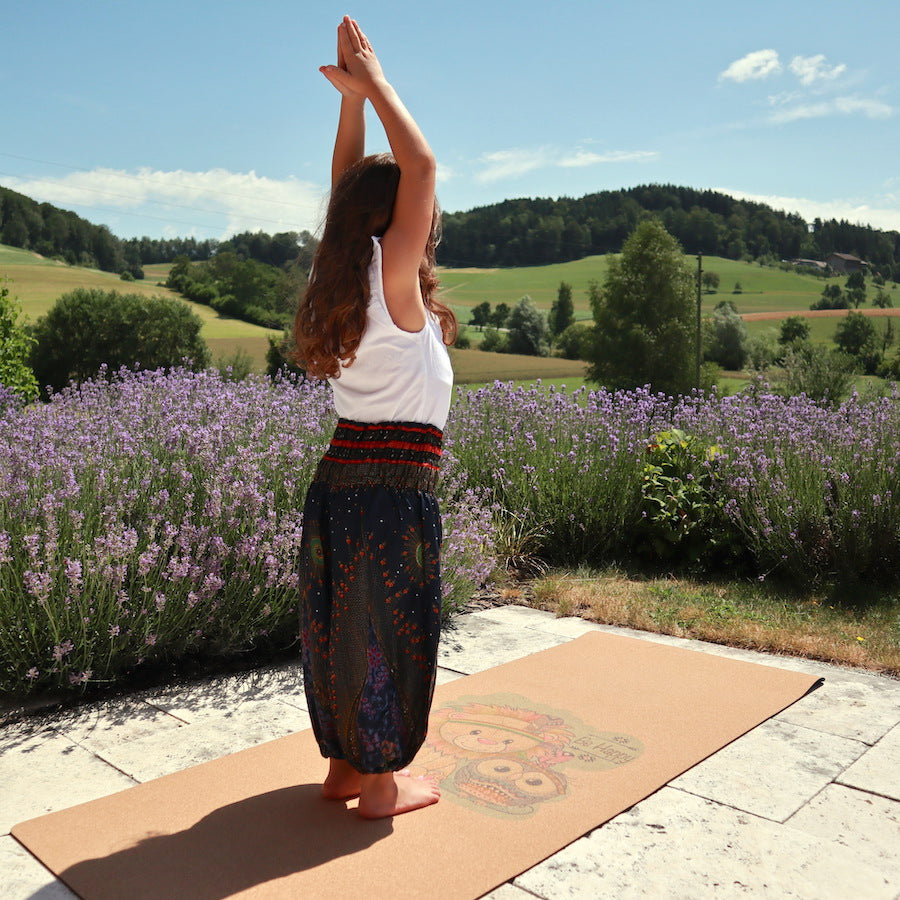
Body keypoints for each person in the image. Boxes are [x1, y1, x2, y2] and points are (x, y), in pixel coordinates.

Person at [293, 16, 457, 819]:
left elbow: (346, 191)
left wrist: (350, 107)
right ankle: (384, 784)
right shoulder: (393, 291)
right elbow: (421, 165)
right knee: (391, 630)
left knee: (338, 628)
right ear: (401, 224)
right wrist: (377, 82)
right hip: (393, 493)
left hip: (338, 482)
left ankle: (345, 770)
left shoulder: (346, 276)